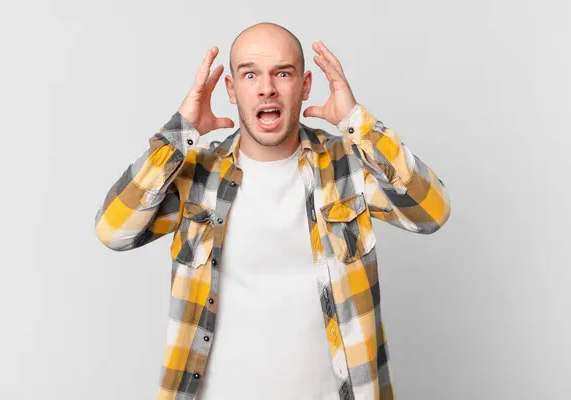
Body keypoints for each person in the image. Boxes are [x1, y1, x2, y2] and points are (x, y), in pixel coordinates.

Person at [94, 22, 450, 400]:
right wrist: (179, 134)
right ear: (231, 90)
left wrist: (355, 123)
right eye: (250, 74)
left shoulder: (347, 166)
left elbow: (432, 211)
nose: (267, 88)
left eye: (283, 73)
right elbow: (113, 230)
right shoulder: (197, 175)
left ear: (305, 85)